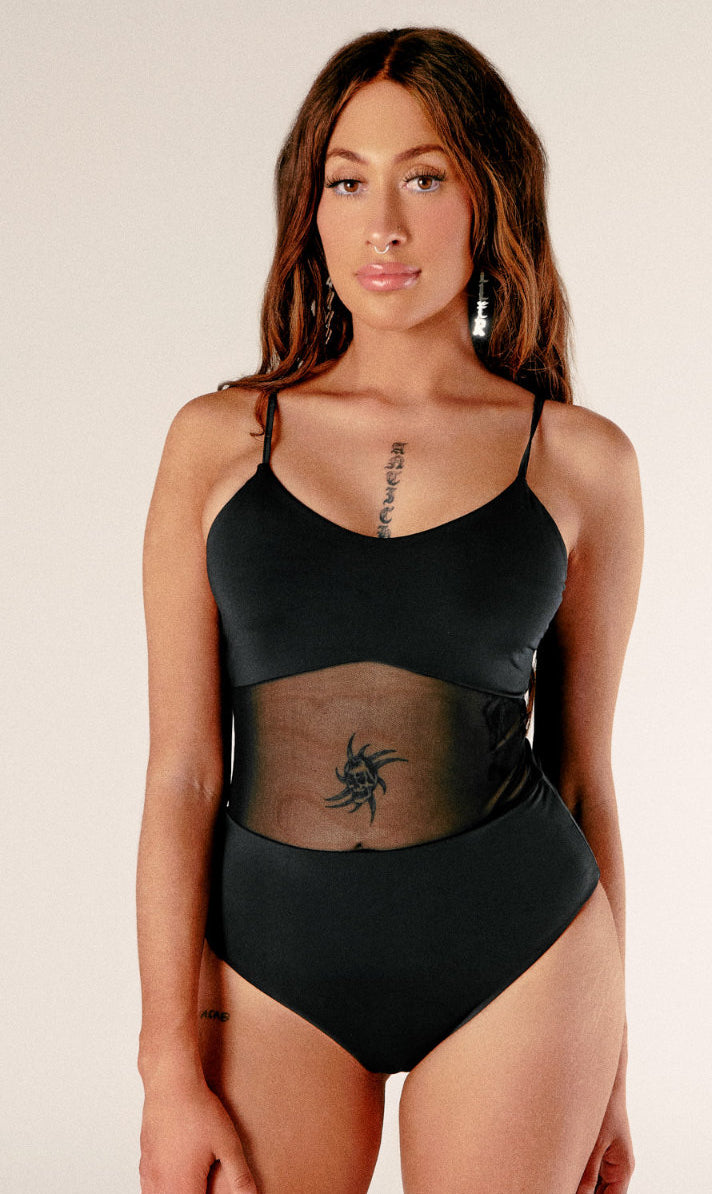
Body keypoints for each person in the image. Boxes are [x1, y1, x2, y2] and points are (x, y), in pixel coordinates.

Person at [137, 26, 642, 1194]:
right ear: (307, 210)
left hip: (523, 959)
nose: (384, 227)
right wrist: (165, 1061)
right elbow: (180, 776)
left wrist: (610, 1061)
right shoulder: (216, 442)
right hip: (268, 965)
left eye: (423, 178)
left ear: (490, 198)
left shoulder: (580, 461)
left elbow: (581, 776)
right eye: (346, 182)